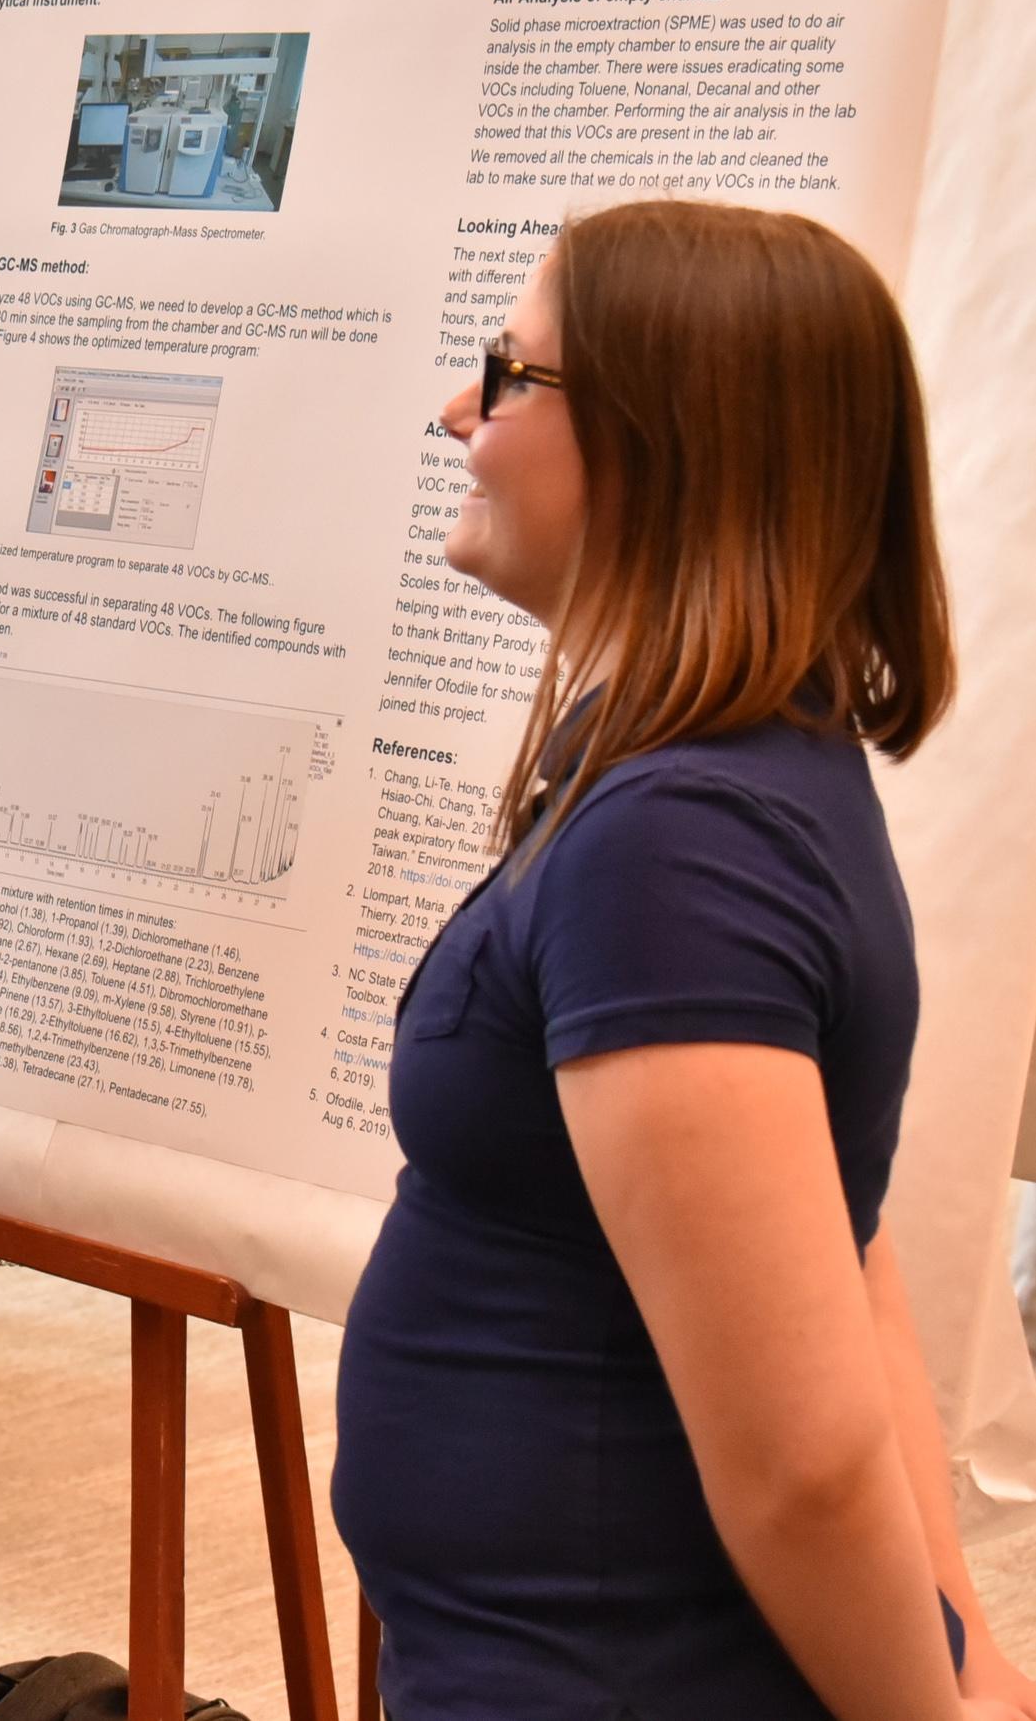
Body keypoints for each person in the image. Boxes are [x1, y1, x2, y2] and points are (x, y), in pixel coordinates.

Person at [331, 199, 1036, 1720]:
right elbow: (834, 1252)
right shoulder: (698, 776)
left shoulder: (678, 837)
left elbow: (799, 1467)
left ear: (662, 442)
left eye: (508, 375)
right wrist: (967, 1649)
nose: (458, 410)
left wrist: (943, 1698)